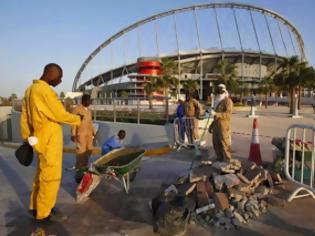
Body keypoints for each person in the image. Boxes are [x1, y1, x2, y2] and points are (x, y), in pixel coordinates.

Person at [20, 63, 81, 222]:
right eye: (59, 77)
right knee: (51, 177)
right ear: (50, 73)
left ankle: (36, 206)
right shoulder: (45, 91)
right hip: (50, 140)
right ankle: (45, 212)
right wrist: (77, 119)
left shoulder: (30, 90)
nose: (60, 81)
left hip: (39, 139)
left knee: (41, 174)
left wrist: (27, 138)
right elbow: (60, 114)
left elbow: (25, 117)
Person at [71, 94, 96, 171]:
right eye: (88, 100)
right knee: (81, 152)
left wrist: (94, 132)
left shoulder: (89, 111)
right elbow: (73, 122)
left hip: (88, 135)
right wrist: (73, 134)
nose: (89, 102)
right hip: (80, 134)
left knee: (89, 150)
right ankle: (79, 169)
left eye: (90, 100)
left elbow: (90, 122)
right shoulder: (77, 109)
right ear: (83, 100)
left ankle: (85, 167)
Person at [209, 84, 233, 161]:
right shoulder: (217, 100)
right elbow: (215, 117)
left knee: (225, 144)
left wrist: (217, 114)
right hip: (216, 125)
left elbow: (228, 114)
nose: (219, 92)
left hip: (224, 126)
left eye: (221, 90)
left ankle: (228, 161)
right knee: (216, 144)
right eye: (218, 90)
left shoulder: (227, 101)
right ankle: (219, 160)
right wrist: (211, 125)